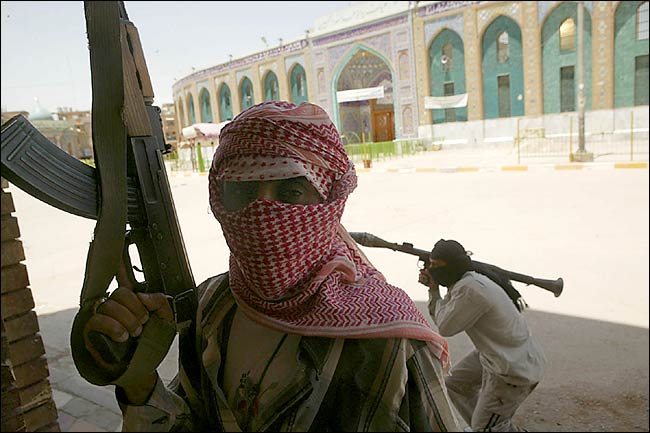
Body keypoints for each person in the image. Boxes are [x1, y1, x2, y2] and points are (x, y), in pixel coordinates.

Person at [82, 101, 461, 431]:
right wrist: (139, 380)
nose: (263, 213)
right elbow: (191, 418)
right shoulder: (212, 304)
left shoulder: (390, 339)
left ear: (330, 200)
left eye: (290, 192)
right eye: (244, 192)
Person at [418, 239, 546, 432]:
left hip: (512, 368)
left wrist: (433, 289)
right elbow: (446, 313)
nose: (432, 270)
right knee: (455, 385)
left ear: (452, 267)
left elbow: (445, 326)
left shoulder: (471, 290)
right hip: (498, 355)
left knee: (489, 427)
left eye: (436, 266)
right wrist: (435, 288)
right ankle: (485, 426)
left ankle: (488, 427)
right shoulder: (468, 282)